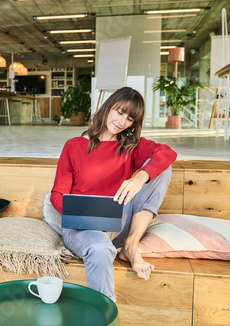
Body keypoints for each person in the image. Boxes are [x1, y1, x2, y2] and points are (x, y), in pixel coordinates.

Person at [49, 86, 177, 302]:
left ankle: (130, 246)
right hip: (83, 229)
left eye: (130, 119)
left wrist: (140, 176)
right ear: (108, 107)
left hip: (120, 223)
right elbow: (57, 196)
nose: (122, 121)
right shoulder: (74, 146)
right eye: (119, 112)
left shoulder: (131, 147)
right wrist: (88, 212)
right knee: (99, 248)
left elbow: (167, 153)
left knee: (163, 167)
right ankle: (104, 311)